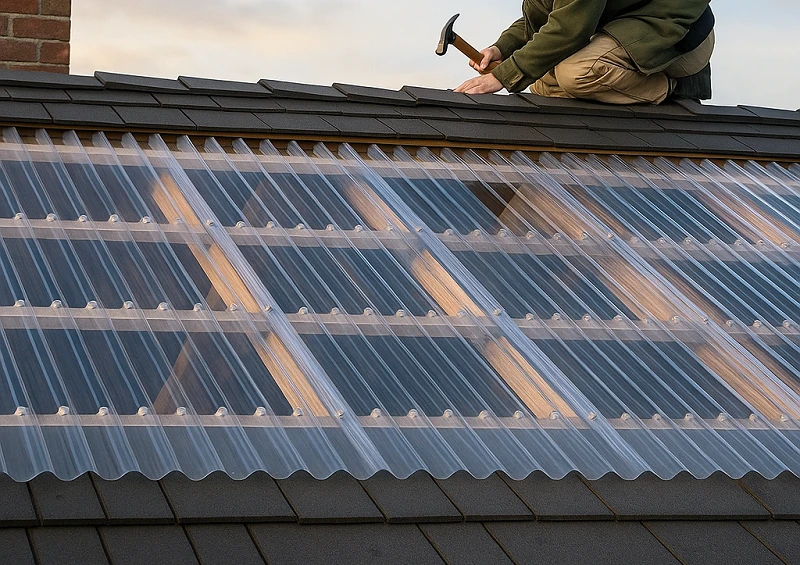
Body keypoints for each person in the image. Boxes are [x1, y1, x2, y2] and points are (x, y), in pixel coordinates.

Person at [454, 1, 715, 104]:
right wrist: (501, 48)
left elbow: (568, 29)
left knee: (575, 73)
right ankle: (612, 96)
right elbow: (545, 15)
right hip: (628, 21)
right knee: (543, 83)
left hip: (679, 33)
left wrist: (502, 76)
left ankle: (673, 87)